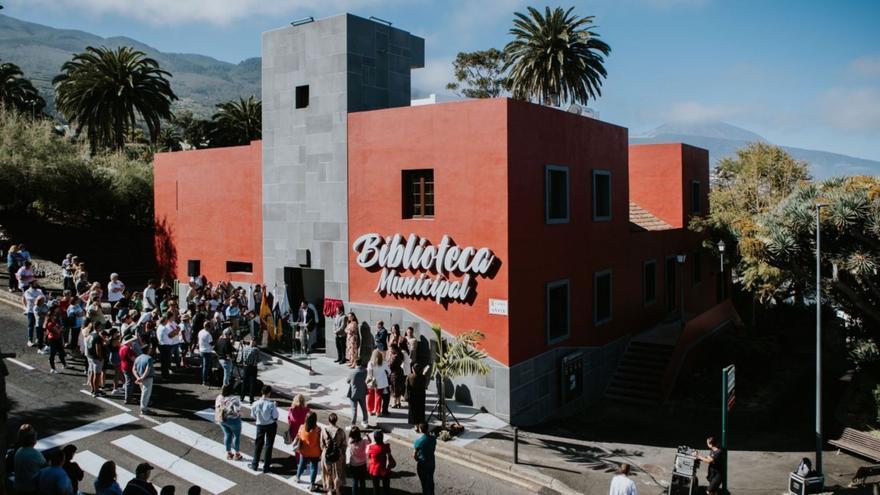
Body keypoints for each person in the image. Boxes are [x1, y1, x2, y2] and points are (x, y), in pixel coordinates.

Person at [250, 385, 279, 473]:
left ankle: (255, 464)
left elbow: (253, 415)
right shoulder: (271, 404)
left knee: (258, 445)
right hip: (270, 425)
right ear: (269, 393)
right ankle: (266, 467)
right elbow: (275, 416)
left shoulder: (255, 403)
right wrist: (275, 406)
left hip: (260, 425)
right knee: (268, 445)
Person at [13, 424, 45, 494]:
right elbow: (45, 467)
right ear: (32, 439)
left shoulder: (19, 451)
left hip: (19, 487)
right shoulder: (35, 454)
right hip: (31, 489)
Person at [215, 383, 243, 461]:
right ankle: (237, 454)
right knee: (236, 436)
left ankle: (229, 453)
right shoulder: (234, 398)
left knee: (227, 434)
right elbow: (237, 410)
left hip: (222, 419)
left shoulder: (219, 397)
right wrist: (239, 414)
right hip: (233, 420)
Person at [320, 412, 346, 495]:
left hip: (327, 454)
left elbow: (321, 444)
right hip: (337, 454)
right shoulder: (341, 431)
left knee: (328, 473)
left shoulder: (324, 430)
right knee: (337, 472)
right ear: (336, 420)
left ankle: (330, 490)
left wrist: (326, 450)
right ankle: (337, 489)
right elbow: (344, 444)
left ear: (329, 420)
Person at [295, 411, 322, 490]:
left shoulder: (301, 427)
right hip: (315, 452)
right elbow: (320, 440)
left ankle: (297, 477)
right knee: (313, 468)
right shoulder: (318, 430)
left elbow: (298, 436)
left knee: (301, 464)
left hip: (304, 451)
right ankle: (312, 484)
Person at [367, 430, 393, 495]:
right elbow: (389, 455)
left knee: (376, 487)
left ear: (374, 439)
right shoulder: (387, 446)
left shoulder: (371, 447)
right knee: (386, 486)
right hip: (384, 468)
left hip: (374, 469)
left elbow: (369, 456)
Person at [413, 423, 436, 495]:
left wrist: (417, 459)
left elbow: (414, 455)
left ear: (420, 429)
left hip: (423, 464)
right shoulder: (433, 438)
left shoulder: (418, 441)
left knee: (424, 483)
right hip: (431, 462)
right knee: (430, 480)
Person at [287, 394, 310, 463]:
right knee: (305, 445)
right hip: (304, 430)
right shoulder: (307, 410)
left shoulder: (291, 410)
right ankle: (305, 459)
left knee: (297, 446)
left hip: (294, 430)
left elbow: (289, 420)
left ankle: (299, 461)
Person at [367, 349, 391, 417]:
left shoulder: (370, 363)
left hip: (372, 383)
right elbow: (389, 371)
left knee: (370, 396)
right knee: (378, 397)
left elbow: (369, 374)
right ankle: (378, 411)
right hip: (381, 383)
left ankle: (370, 410)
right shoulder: (384, 363)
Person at [133, 344, 156, 415]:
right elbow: (148, 369)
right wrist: (142, 378)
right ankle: (144, 409)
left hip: (140, 377)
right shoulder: (149, 358)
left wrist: (138, 378)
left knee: (143, 392)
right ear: (148, 350)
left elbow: (134, 369)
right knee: (145, 393)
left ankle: (145, 405)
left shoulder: (138, 358)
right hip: (147, 378)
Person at [347, 359, 369, 428]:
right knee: (364, 408)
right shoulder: (365, 371)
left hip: (353, 393)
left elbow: (348, 381)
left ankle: (353, 424)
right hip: (362, 391)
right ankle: (365, 421)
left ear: (355, 363)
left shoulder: (352, 372)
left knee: (354, 409)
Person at [347, 427, 369, 495]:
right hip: (363, 464)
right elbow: (369, 442)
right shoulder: (364, 441)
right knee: (362, 481)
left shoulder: (350, 442)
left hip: (354, 465)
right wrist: (367, 435)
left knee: (355, 481)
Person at [46, 306, 68, 373]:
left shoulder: (54, 322)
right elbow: (57, 331)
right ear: (50, 317)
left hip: (57, 338)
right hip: (52, 340)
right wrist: (61, 329)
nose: (55, 317)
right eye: (53, 316)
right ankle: (53, 368)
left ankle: (65, 364)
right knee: (52, 354)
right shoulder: (50, 324)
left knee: (61, 352)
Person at [22, 280, 44, 347]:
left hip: (38, 311)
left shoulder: (39, 291)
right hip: (31, 311)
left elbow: (43, 298)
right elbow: (31, 299)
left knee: (38, 326)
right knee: (31, 326)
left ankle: (38, 339)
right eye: (35, 283)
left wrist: (39, 299)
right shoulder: (27, 292)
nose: (37, 284)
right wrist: (38, 298)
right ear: (31, 284)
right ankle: (30, 340)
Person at [239, 339, 260, 403]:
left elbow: (242, 358)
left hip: (246, 367)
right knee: (252, 383)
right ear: (255, 342)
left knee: (244, 382)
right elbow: (258, 359)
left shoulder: (245, 348)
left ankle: (242, 397)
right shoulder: (256, 350)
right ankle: (251, 399)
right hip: (253, 367)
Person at [120, 335, 138, 404]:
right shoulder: (128, 349)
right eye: (132, 340)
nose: (133, 341)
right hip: (129, 367)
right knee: (129, 383)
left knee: (128, 382)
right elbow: (134, 359)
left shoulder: (122, 347)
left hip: (124, 366)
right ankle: (128, 399)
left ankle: (128, 398)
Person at [387, 343, 405, 409]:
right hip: (400, 372)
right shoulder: (400, 354)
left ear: (394, 349)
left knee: (394, 388)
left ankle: (394, 403)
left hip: (394, 374)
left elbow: (390, 365)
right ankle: (398, 402)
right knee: (398, 388)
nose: (390, 350)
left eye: (391, 349)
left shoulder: (395, 356)